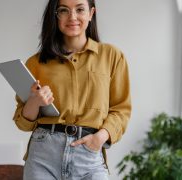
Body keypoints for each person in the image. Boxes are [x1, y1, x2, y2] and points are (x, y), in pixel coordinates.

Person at [12, 0, 131, 179]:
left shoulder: (112, 57)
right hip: (43, 156)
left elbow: (121, 109)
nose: (72, 17)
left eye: (80, 9)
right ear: (55, 15)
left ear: (91, 14)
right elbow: (23, 122)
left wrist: (100, 137)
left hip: (89, 156)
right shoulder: (35, 63)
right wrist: (35, 102)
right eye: (64, 10)